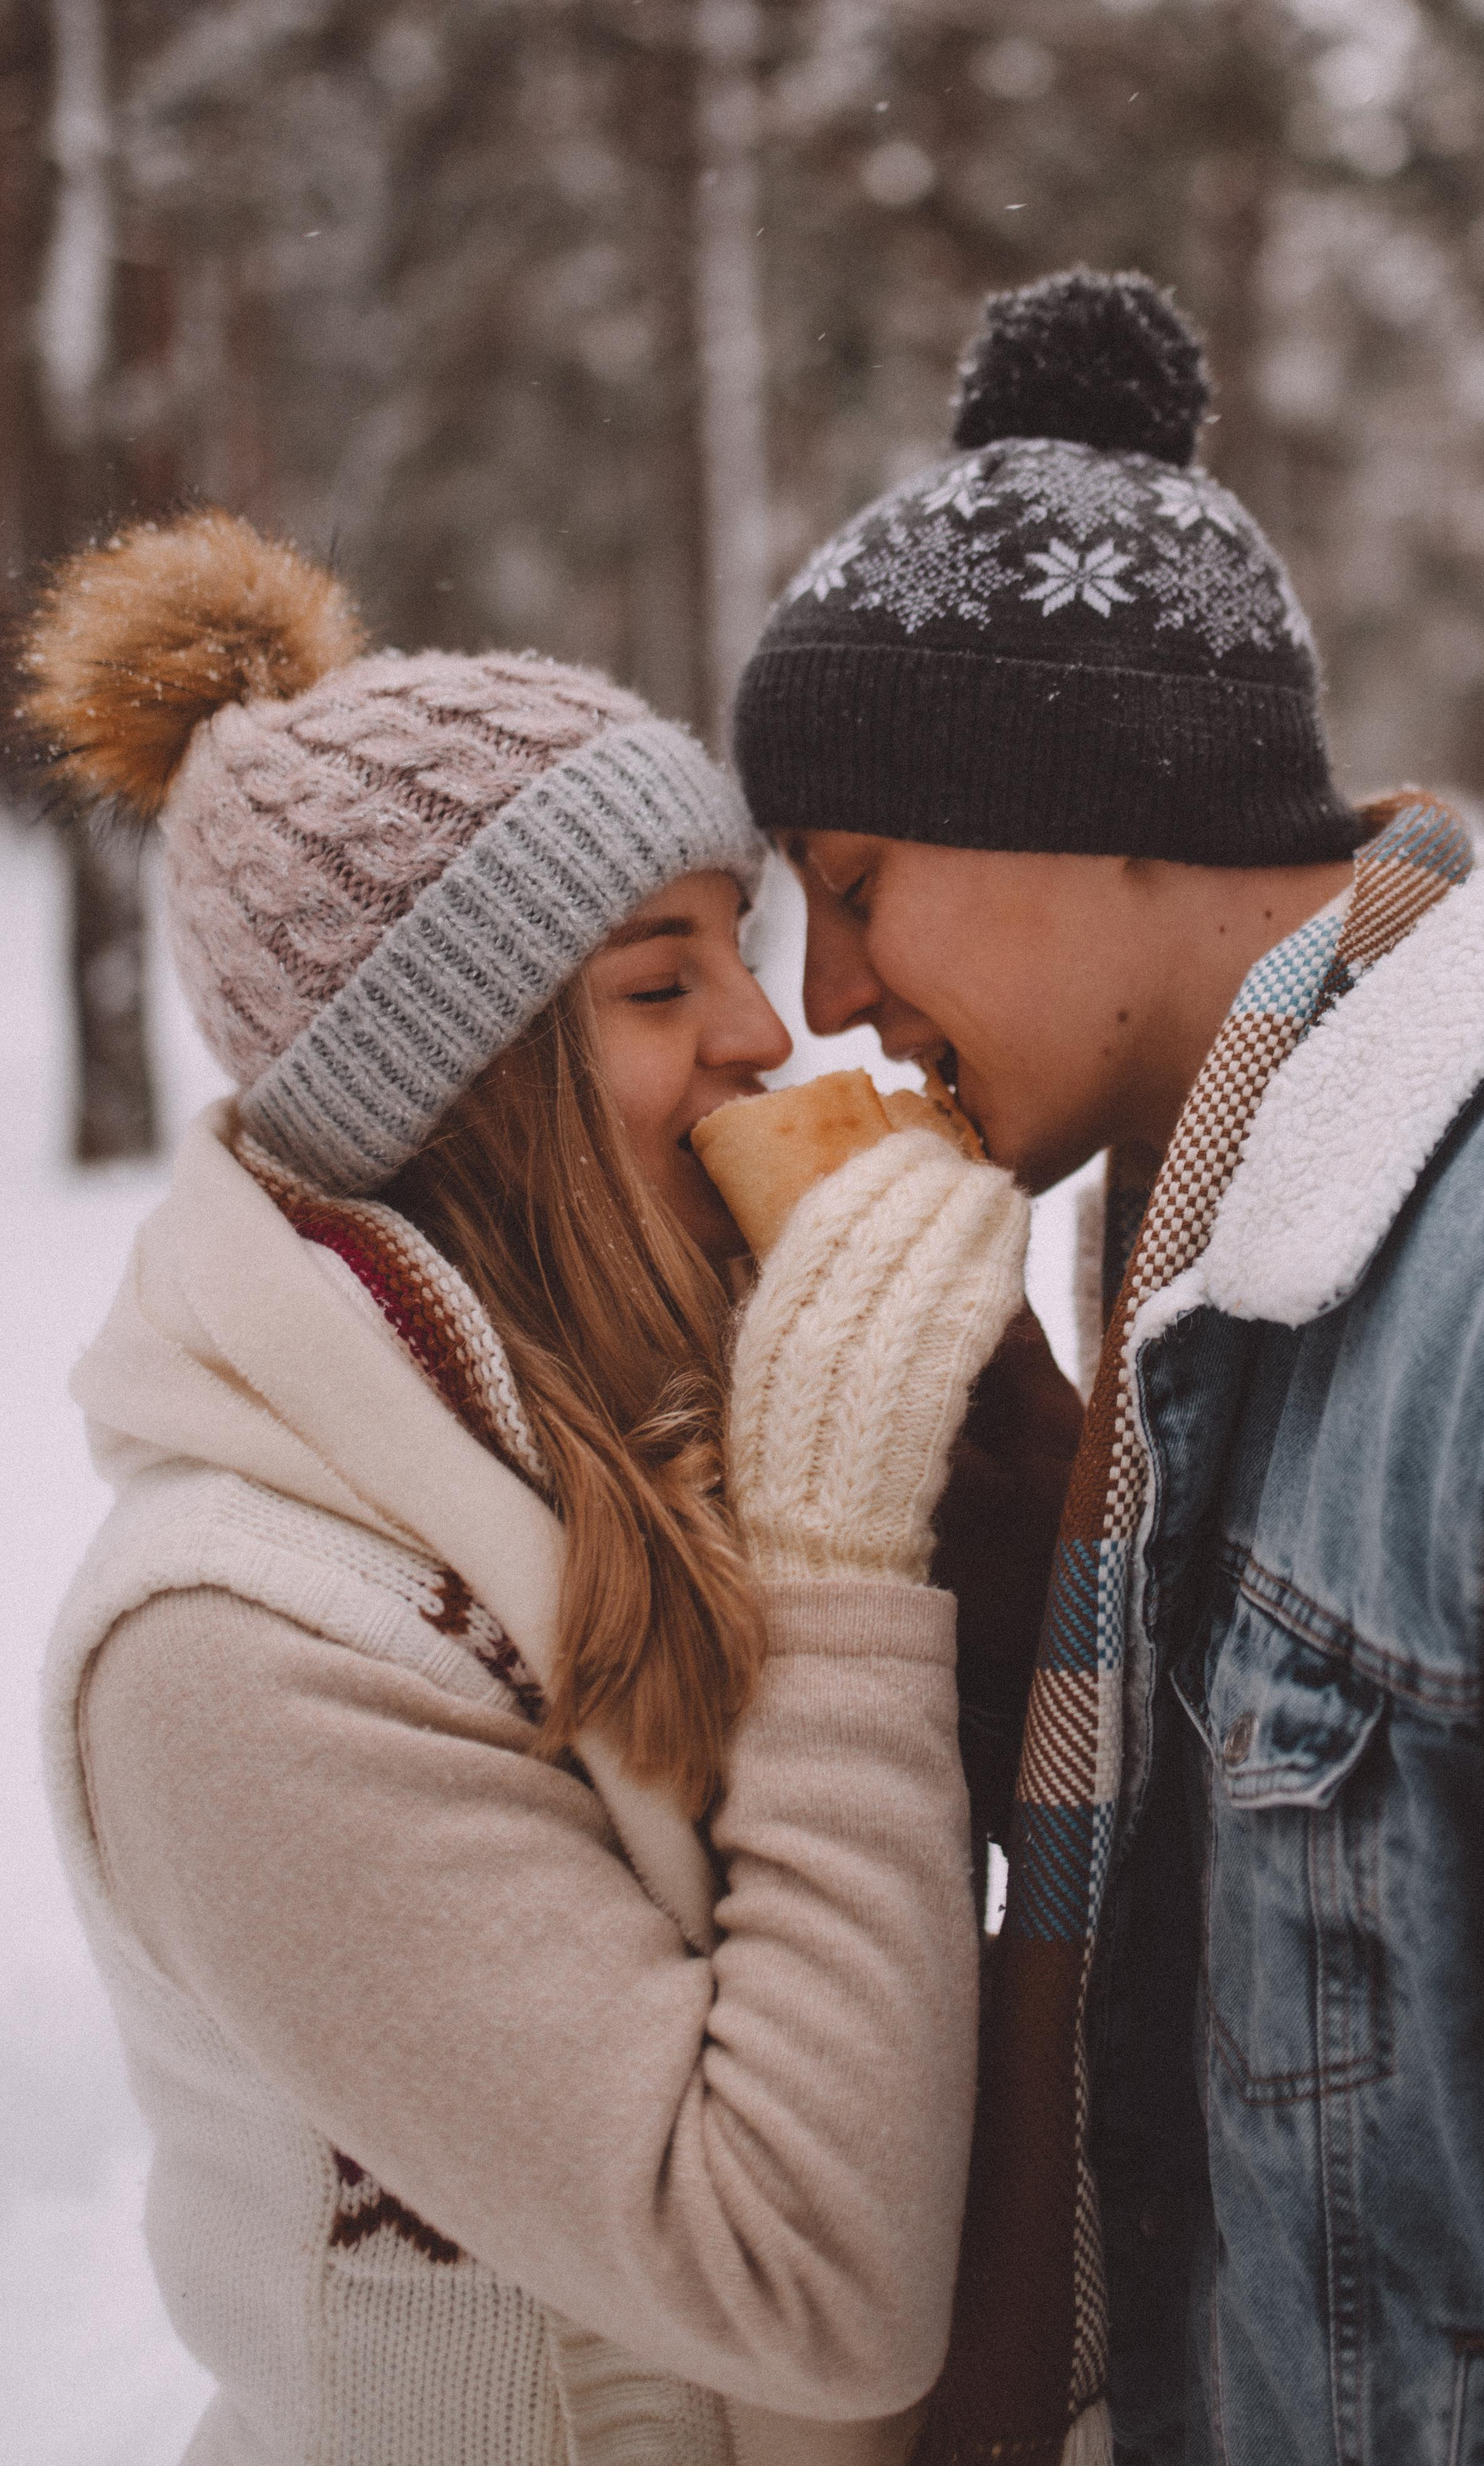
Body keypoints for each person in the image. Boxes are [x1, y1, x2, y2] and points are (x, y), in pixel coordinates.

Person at [731, 269, 1484, 2465]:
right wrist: (1034, 1597)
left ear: (1102, 794)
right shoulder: (1207, 1273)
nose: (831, 995)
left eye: (861, 878)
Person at [31, 507, 1035, 2466]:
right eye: (662, 988)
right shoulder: (233, 1654)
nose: (769, 1034)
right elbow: (806, 2282)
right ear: (466, 1101)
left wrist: (996, 1475)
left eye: (735, 952)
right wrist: (836, 1564)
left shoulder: (665, 1436)